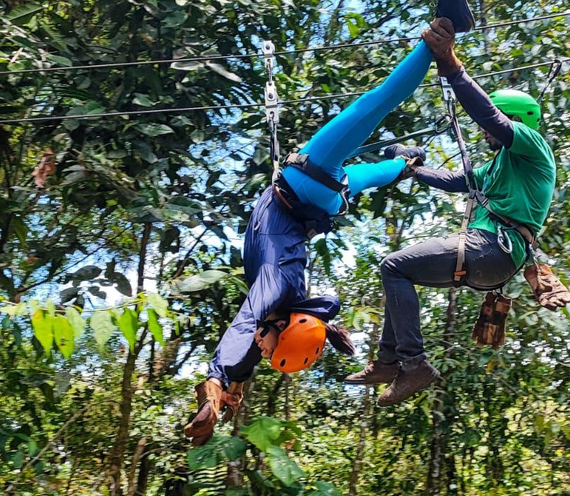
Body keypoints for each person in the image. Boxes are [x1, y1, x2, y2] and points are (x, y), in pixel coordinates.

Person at [184, 4, 477, 445]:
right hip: (306, 181)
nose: (263, 352)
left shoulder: (291, 301)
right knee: (374, 104)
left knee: (377, 172)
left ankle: (405, 163)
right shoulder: (275, 291)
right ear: (283, 329)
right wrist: (214, 385)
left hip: (326, 201)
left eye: (266, 355)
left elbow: (251, 340)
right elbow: (246, 328)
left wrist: (231, 387)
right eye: (271, 349)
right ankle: (445, 29)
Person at [344, 18, 570, 406]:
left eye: (497, 125)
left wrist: (450, 65)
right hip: (493, 257)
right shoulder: (498, 166)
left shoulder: (532, 146)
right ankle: (388, 362)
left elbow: (490, 118)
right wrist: (411, 168)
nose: (486, 135)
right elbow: (455, 180)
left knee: (393, 266)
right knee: (400, 275)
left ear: (517, 120)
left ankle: (413, 365)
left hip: (493, 247)